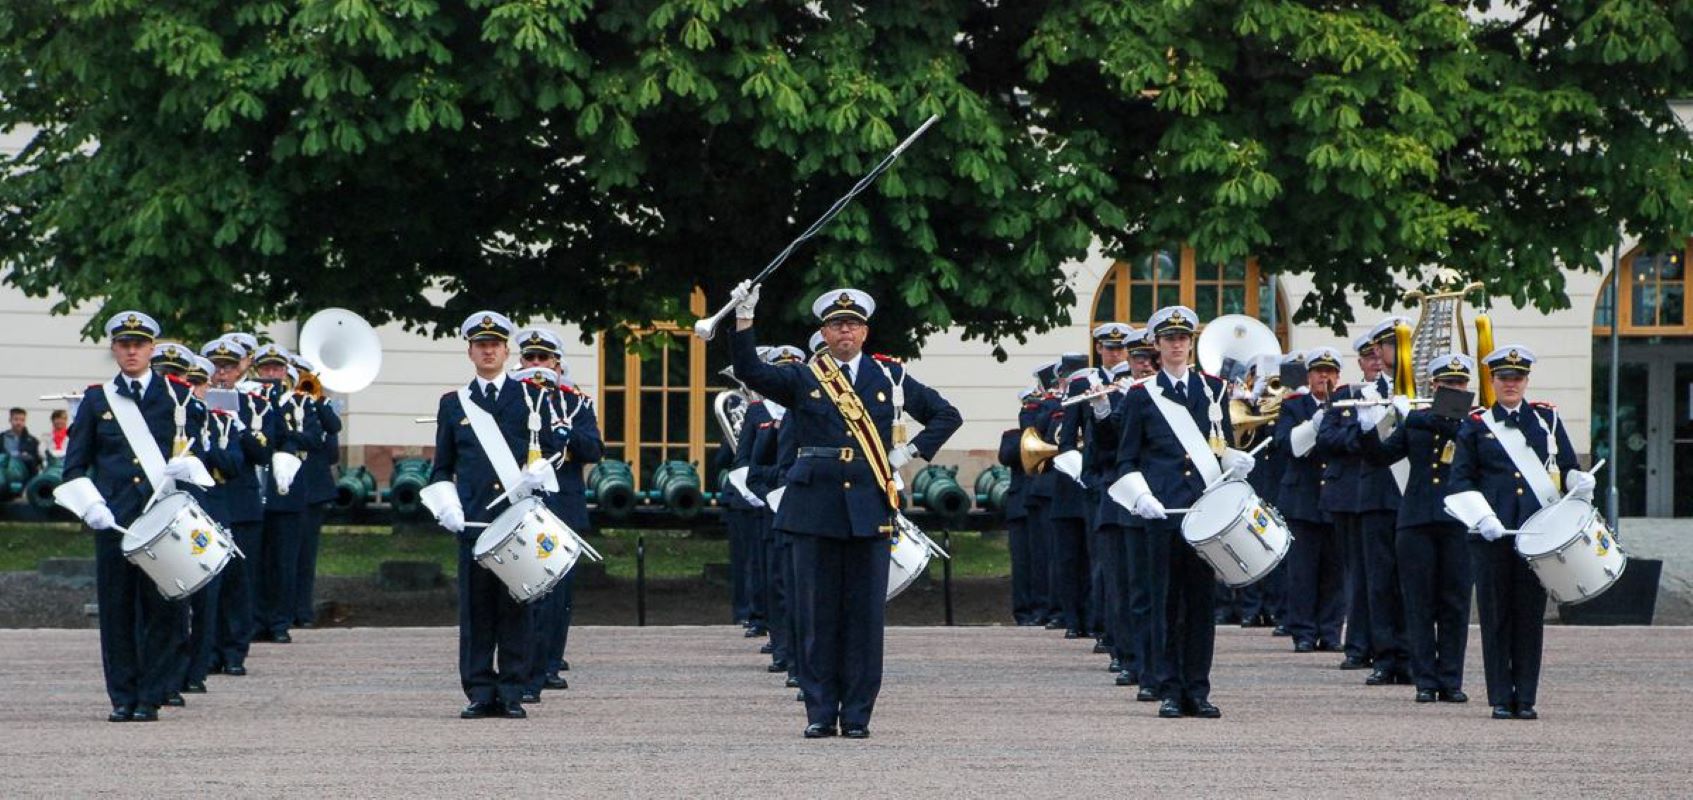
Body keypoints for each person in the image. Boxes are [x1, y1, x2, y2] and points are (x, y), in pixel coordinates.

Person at [728, 283, 961, 739]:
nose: (845, 332)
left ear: (865, 331)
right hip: (813, 506)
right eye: (836, 325)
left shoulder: (888, 377)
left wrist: (908, 452)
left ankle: (857, 714)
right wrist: (744, 320)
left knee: (863, 619)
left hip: (867, 507)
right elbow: (750, 370)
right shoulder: (804, 377)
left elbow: (946, 415)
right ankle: (819, 711)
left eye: (852, 324)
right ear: (825, 332)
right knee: (815, 615)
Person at [57, 311, 209, 722]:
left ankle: (152, 694)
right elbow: (74, 466)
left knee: (165, 610)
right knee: (118, 611)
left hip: (164, 521)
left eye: (139, 344)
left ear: (152, 349)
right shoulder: (96, 401)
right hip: (115, 523)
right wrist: (91, 506)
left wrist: (192, 466)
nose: (131, 351)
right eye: (124, 344)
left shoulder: (178, 395)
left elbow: (204, 451)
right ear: (114, 348)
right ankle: (123, 696)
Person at [1109, 305, 1250, 719]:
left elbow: (1218, 446)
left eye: (1183, 338)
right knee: (1165, 602)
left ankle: (1198, 689)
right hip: (1163, 513)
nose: (1177, 345)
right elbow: (1126, 459)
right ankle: (1169, 687)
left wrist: (1235, 461)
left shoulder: (1213, 390)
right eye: (1169, 338)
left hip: (1204, 513)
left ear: (1191, 343)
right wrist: (1140, 497)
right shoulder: (1141, 395)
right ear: (1157, 345)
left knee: (1201, 603)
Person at [423, 311, 564, 720]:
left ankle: (513, 690)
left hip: (517, 519)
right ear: (470, 351)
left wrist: (541, 474)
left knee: (517, 606)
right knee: (477, 611)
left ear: (506, 351)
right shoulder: (453, 405)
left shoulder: (531, 396)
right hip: (475, 524)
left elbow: (555, 449)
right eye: (480, 344)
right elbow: (441, 466)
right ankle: (480, 690)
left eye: (495, 344)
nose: (488, 350)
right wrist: (446, 502)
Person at [1447, 345, 1588, 721]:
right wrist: (1481, 518)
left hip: (1536, 534)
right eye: (1504, 378)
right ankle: (1499, 697)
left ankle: (1525, 697)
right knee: (1495, 616)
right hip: (1493, 535)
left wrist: (1579, 481)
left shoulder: (1546, 419)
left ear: (1526, 381)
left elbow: (1568, 465)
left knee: (1529, 617)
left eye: (1518, 378)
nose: (1511, 384)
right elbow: (1459, 480)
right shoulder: (1475, 425)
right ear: (1492, 381)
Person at [1361, 353, 1476, 704]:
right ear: (1435, 385)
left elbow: (1452, 428)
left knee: (1455, 604)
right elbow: (1380, 457)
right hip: (1416, 519)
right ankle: (1425, 680)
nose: (1454, 389)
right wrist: (1373, 425)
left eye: (1459, 384)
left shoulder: (1473, 423)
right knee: (1419, 603)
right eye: (1447, 384)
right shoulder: (1416, 421)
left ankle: (1452, 680)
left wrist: (1412, 416)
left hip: (1457, 520)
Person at [1319, 318, 1412, 686]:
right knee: (1378, 580)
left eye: (1394, 346)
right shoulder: (1363, 394)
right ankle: (1386, 656)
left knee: (1415, 581)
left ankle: (1416, 655)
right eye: (1386, 347)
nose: (1387, 354)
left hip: (1413, 494)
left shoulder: (1423, 389)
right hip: (1375, 493)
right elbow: (1336, 439)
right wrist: (1368, 429)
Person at [514, 328, 603, 702]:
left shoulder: (575, 402)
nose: (536, 366)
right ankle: (522, 663)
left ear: (556, 363)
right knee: (522, 586)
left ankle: (549, 662)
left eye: (543, 360)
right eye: (530, 359)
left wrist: (565, 436)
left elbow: (594, 449)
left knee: (558, 592)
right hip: (523, 504)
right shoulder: (510, 400)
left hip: (562, 504)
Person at [202, 337, 269, 678]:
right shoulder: (194, 402)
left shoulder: (254, 404)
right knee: (208, 580)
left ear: (241, 368)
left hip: (241, 503)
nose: (222, 373)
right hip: (207, 501)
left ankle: (235, 650)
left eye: (228, 366)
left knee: (239, 581)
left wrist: (240, 426)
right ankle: (209, 649)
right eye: (216, 367)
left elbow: (263, 454)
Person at [1275, 349, 1347, 654]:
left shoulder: (1346, 406)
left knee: (1334, 571)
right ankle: (1303, 631)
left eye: (1330, 372)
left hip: (1333, 498)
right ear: (1309, 376)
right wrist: (1315, 423)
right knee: (1302, 572)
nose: (1324, 377)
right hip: (1302, 498)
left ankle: (1330, 631)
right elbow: (1286, 444)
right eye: (1319, 372)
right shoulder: (1294, 406)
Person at [251, 343, 323, 645]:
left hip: (287, 490)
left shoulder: (297, 402)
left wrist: (288, 436)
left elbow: (315, 438)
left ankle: (279, 620)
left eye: (276, 369)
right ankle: (256, 619)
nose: (270, 374)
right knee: (257, 561)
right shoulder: (250, 400)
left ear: (285, 372)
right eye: (265, 369)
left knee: (284, 561)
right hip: (256, 490)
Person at [291, 355, 343, 629]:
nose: (300, 383)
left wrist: (318, 400)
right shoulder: (282, 406)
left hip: (313, 489)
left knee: (306, 556)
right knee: (285, 555)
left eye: (304, 377)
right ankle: (286, 610)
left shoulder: (319, 406)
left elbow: (333, 444)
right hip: (287, 489)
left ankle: (303, 610)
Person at [998, 387, 1043, 625]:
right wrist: (1028, 430)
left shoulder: (1049, 434)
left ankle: (1042, 607)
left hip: (1041, 505)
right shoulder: (1012, 436)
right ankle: (1024, 611)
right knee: (1023, 564)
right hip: (1020, 508)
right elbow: (1008, 455)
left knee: (1042, 561)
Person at [3, 407, 41, 476]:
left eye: (22, 420)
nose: (19, 422)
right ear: (10, 420)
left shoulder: (32, 441)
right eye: (16, 419)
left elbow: (37, 461)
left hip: (25, 477)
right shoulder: (2, 438)